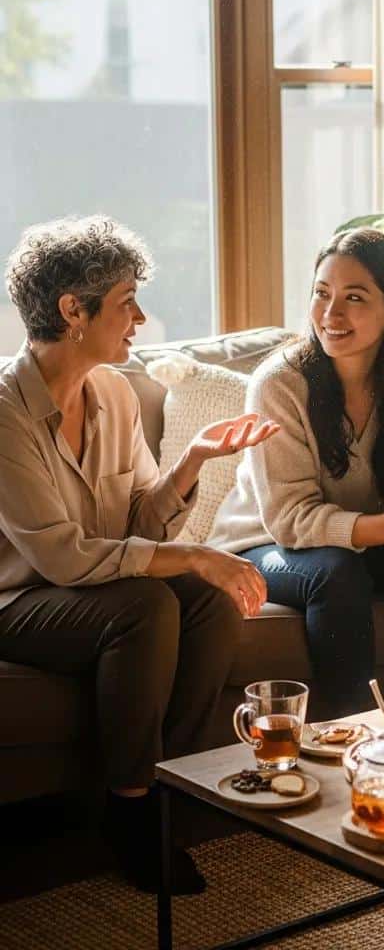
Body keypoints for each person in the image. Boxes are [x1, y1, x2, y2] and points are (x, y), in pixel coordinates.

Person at [0, 216, 278, 894]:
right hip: (18, 600)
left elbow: (139, 518)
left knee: (207, 599)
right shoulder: (4, 413)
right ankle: (127, 810)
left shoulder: (114, 393)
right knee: (148, 604)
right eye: (126, 302)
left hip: (92, 590)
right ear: (73, 310)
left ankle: (169, 789)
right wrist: (191, 556)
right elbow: (65, 559)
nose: (141, 319)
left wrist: (191, 462)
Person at [209, 228, 384, 716]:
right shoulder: (279, 383)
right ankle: (347, 733)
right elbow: (290, 520)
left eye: (354, 298)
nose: (330, 314)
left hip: (366, 540)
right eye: (322, 293)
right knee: (337, 573)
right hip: (267, 546)